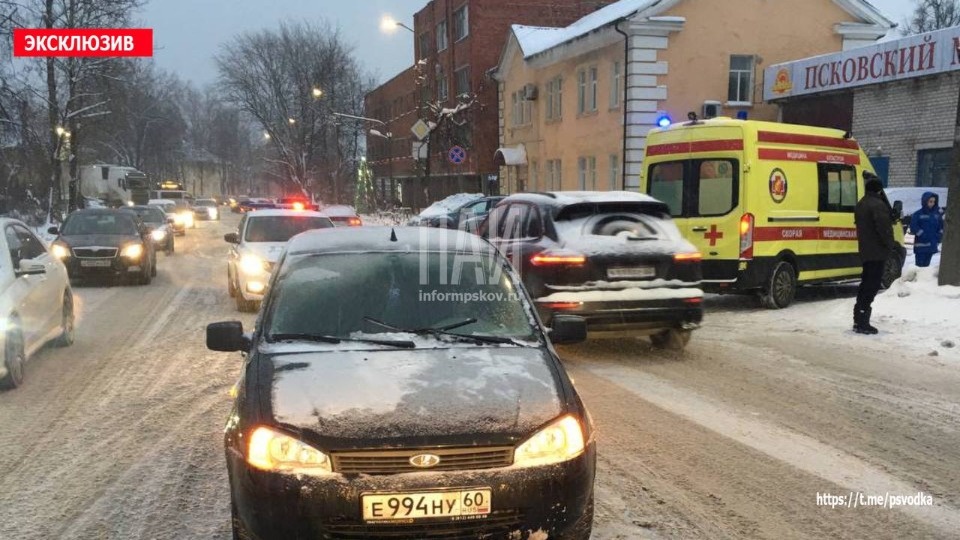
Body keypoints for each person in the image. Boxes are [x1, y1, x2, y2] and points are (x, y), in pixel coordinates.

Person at [853, 172, 897, 335]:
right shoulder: (878, 206)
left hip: (865, 250)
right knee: (871, 285)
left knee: (865, 284)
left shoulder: (862, 204)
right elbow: (884, 229)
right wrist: (890, 244)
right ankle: (863, 321)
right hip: (877, 252)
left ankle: (858, 318)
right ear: (879, 190)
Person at [909, 192, 944, 268]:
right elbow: (913, 227)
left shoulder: (937, 215)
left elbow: (941, 227)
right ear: (925, 201)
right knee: (919, 268)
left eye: (934, 202)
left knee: (926, 268)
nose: (932, 203)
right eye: (930, 201)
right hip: (921, 246)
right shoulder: (918, 214)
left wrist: (939, 236)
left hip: (932, 246)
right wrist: (923, 235)